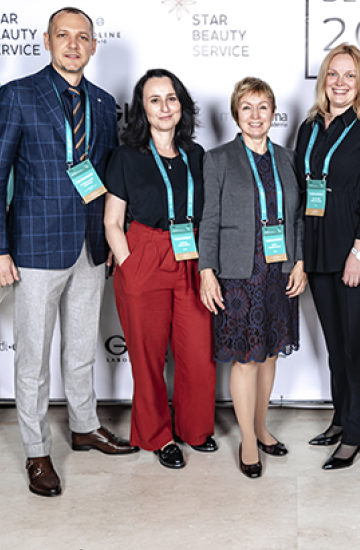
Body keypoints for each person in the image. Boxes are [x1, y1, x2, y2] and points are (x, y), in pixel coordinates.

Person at [0, 7, 138, 498]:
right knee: (32, 358)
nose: (73, 44)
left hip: (90, 246)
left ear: (93, 46)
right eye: (63, 35)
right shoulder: (17, 95)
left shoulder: (103, 103)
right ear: (47, 41)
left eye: (82, 37)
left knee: (82, 349)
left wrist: (112, 239)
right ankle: (37, 450)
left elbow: (109, 180)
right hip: (33, 246)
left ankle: (85, 426)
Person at [104, 69, 217, 470]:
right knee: (147, 357)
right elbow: (112, 221)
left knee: (198, 353)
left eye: (171, 98)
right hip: (144, 253)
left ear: (181, 104)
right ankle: (157, 436)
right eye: (154, 100)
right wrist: (130, 264)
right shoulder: (125, 156)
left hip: (191, 255)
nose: (164, 107)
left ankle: (194, 429)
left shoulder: (197, 155)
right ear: (142, 109)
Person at [199, 77, 306, 478]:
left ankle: (261, 427)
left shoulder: (288, 159)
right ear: (235, 114)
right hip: (239, 275)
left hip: (280, 271)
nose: (256, 115)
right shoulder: (218, 159)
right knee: (246, 359)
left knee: (270, 353)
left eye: (263, 107)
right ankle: (247, 439)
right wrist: (206, 271)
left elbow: (299, 218)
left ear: (273, 113)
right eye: (247, 107)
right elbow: (209, 221)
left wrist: (300, 261)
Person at [295, 44, 360, 470]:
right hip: (316, 249)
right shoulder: (309, 127)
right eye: (333, 74)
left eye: (350, 75)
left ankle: (355, 433)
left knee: (355, 347)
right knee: (335, 345)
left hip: (352, 249)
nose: (340, 83)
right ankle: (340, 417)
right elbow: (302, 190)